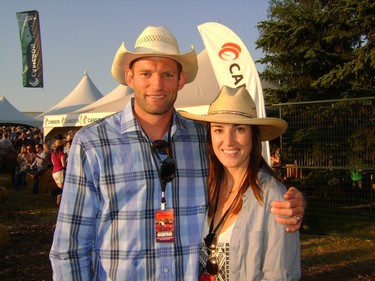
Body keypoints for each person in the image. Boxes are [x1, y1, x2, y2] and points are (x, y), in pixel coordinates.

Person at [50, 25, 304, 280]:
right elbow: (69, 248)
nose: (157, 84)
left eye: (168, 74)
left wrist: (290, 201)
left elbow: (245, 174)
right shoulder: (93, 143)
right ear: (130, 77)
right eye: (146, 73)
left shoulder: (201, 138)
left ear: (181, 80)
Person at [180, 86, 301, 280]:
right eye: (218, 130)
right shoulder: (203, 185)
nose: (228, 142)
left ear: (253, 136)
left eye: (239, 129)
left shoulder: (273, 197)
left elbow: (279, 275)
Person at [50, 139, 67, 207]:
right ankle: (58, 203)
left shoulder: (53, 155)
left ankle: (58, 202)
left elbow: (54, 164)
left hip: (54, 172)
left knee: (59, 187)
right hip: (60, 171)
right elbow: (63, 165)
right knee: (60, 189)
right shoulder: (61, 154)